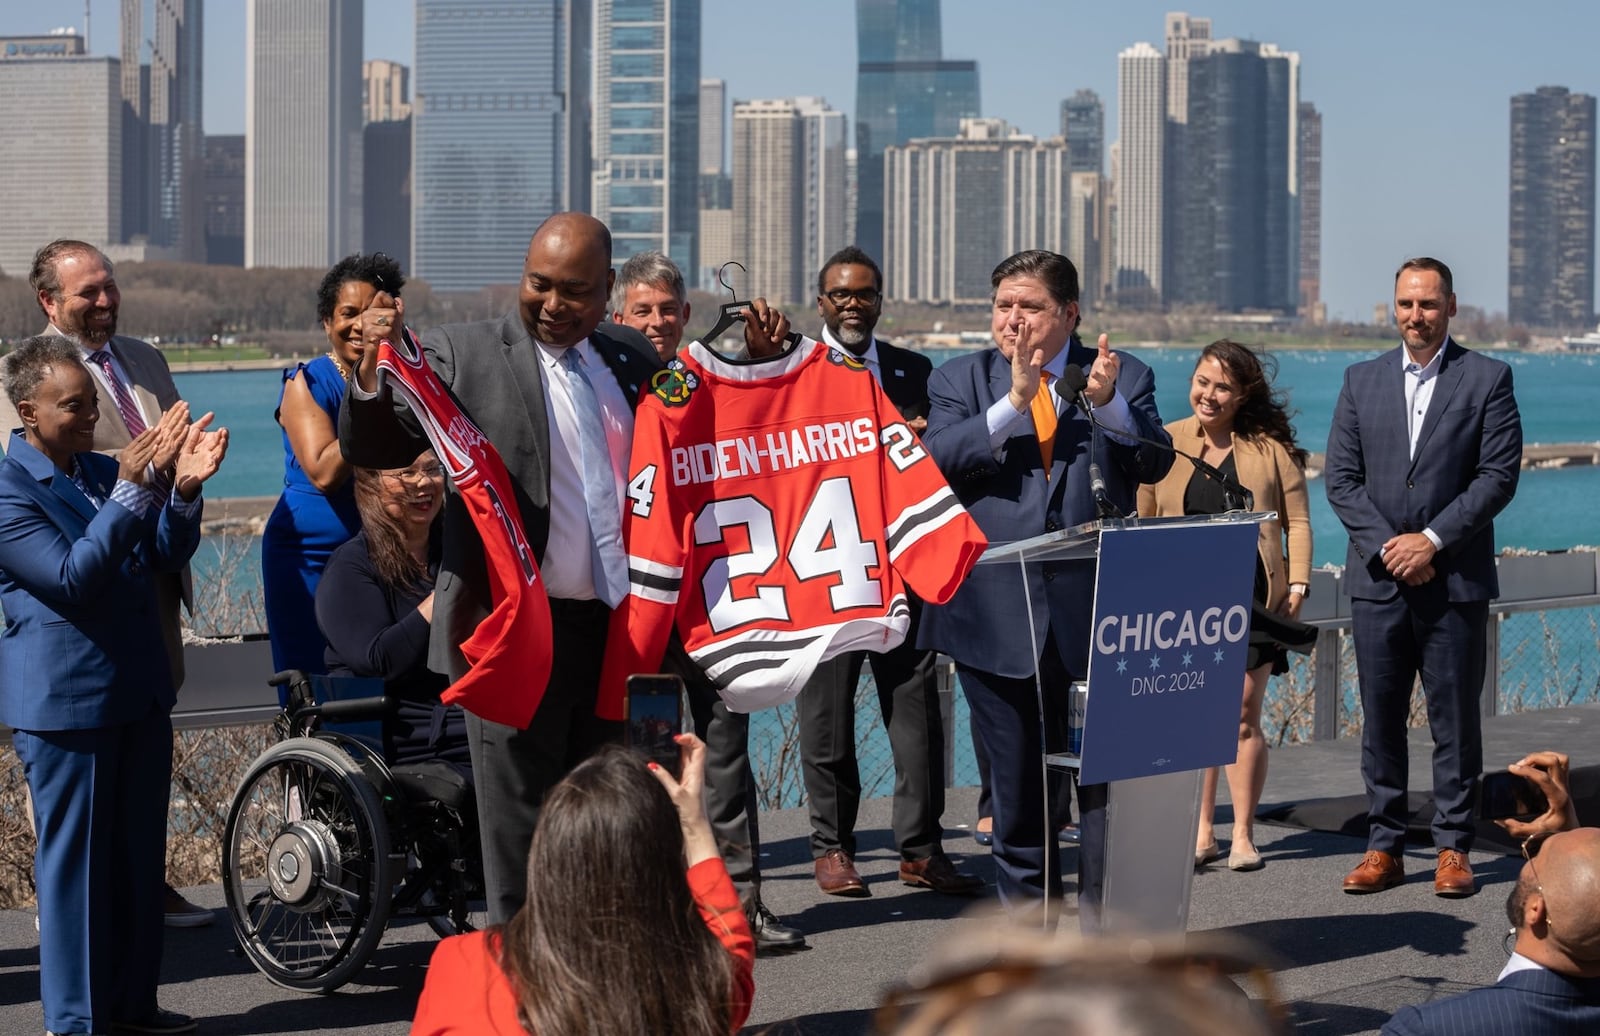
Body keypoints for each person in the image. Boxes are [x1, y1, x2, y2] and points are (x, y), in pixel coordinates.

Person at [341, 214, 789, 924]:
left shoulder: (628, 356)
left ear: (607, 289)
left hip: (626, 639)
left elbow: (707, 436)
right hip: (519, 634)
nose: (551, 304)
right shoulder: (464, 354)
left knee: (619, 827)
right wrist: (370, 372)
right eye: (537, 284)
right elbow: (378, 437)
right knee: (522, 843)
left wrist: (761, 369)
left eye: (573, 292)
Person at [918, 250, 1173, 926]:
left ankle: (1105, 941)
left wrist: (1110, 404)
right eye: (1003, 305)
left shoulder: (1123, 375)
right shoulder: (960, 379)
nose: (1012, 319)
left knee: (1104, 795)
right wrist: (1013, 403)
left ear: (1069, 314)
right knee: (1018, 798)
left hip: (1098, 616)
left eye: (1028, 306)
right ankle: (1029, 950)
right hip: (996, 621)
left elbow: (1153, 461)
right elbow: (932, 466)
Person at [0, 334, 227, 1036]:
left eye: (92, 401)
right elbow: (73, 577)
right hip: (67, 707)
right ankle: (79, 1023)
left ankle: (132, 1007)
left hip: (136, 691)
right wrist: (132, 489)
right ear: (26, 411)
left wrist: (182, 491)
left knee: (134, 868)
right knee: (77, 880)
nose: (91, 416)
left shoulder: (99, 470)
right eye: (73, 405)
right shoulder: (9, 492)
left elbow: (159, 551)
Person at [610, 251, 804, 951]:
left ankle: (741, 903)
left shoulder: (716, 375)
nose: (657, 321)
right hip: (638, 604)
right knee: (652, 758)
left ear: (688, 315)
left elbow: (776, 425)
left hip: (718, 600)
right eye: (643, 310)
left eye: (668, 309)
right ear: (618, 315)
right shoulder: (600, 379)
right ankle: (658, 908)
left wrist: (760, 359)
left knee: (726, 753)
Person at [1325, 257, 1522, 898]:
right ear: (1394, 308)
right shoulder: (1360, 380)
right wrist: (1391, 547)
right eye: (1407, 304)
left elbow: (1496, 477)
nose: (1417, 316)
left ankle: (1453, 848)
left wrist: (1432, 539)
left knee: (1455, 722)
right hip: (1379, 582)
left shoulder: (1489, 379)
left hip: (1454, 580)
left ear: (1452, 307)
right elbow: (1341, 481)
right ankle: (1384, 847)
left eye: (1429, 305)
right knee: (1380, 721)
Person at [798, 246, 982, 899]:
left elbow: (935, 465)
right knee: (826, 720)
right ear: (821, 301)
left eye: (865, 294)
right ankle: (832, 848)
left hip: (901, 569)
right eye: (840, 294)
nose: (853, 304)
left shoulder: (914, 371)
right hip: (824, 572)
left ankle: (921, 851)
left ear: (881, 301)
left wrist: (919, 441)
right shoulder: (793, 373)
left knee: (916, 720)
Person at [410, 736, 755, 1035]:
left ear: (546, 856)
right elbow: (730, 940)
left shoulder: (461, 964)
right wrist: (692, 822)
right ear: (661, 876)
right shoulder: (699, 990)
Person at [1136, 340, 1312, 872]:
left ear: (1242, 395)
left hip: (1254, 596)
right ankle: (1202, 829)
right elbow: (1142, 518)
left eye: (1223, 387)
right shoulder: (1164, 440)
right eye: (1202, 382)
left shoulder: (1268, 449)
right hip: (1183, 602)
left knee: (1238, 715)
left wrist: (1298, 585)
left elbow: (1297, 521)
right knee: (1198, 717)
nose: (1209, 395)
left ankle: (1242, 833)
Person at [263, 253, 404, 682]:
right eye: (348, 313)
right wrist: (367, 388)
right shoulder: (306, 383)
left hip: (387, 550)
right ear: (327, 321)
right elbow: (325, 472)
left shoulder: (407, 374)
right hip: (311, 556)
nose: (362, 324)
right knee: (320, 685)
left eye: (374, 312)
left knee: (387, 674)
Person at [1380, 773, 1600, 1034]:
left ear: (1535, 910)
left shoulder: (1426, 1028)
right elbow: (1587, 896)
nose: (1527, 856)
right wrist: (1573, 843)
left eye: (1535, 854)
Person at [315, 449, 469, 772]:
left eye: (432, 469)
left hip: (459, 716)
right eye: (407, 473)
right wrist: (441, 598)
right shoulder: (351, 566)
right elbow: (378, 660)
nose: (424, 482)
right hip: (398, 737)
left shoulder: (452, 552)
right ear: (372, 484)